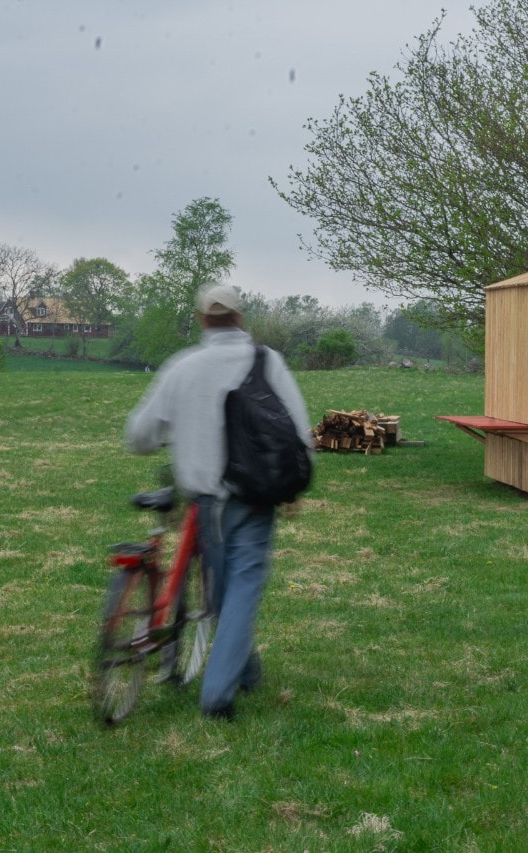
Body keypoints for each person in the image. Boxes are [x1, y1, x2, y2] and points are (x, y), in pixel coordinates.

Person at [125, 283, 312, 720]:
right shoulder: (268, 361)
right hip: (255, 498)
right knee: (238, 590)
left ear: (202, 320)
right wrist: (291, 490)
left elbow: (138, 436)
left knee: (227, 590)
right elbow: (299, 433)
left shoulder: (182, 367)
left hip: (206, 504)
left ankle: (243, 673)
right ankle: (217, 696)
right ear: (241, 318)